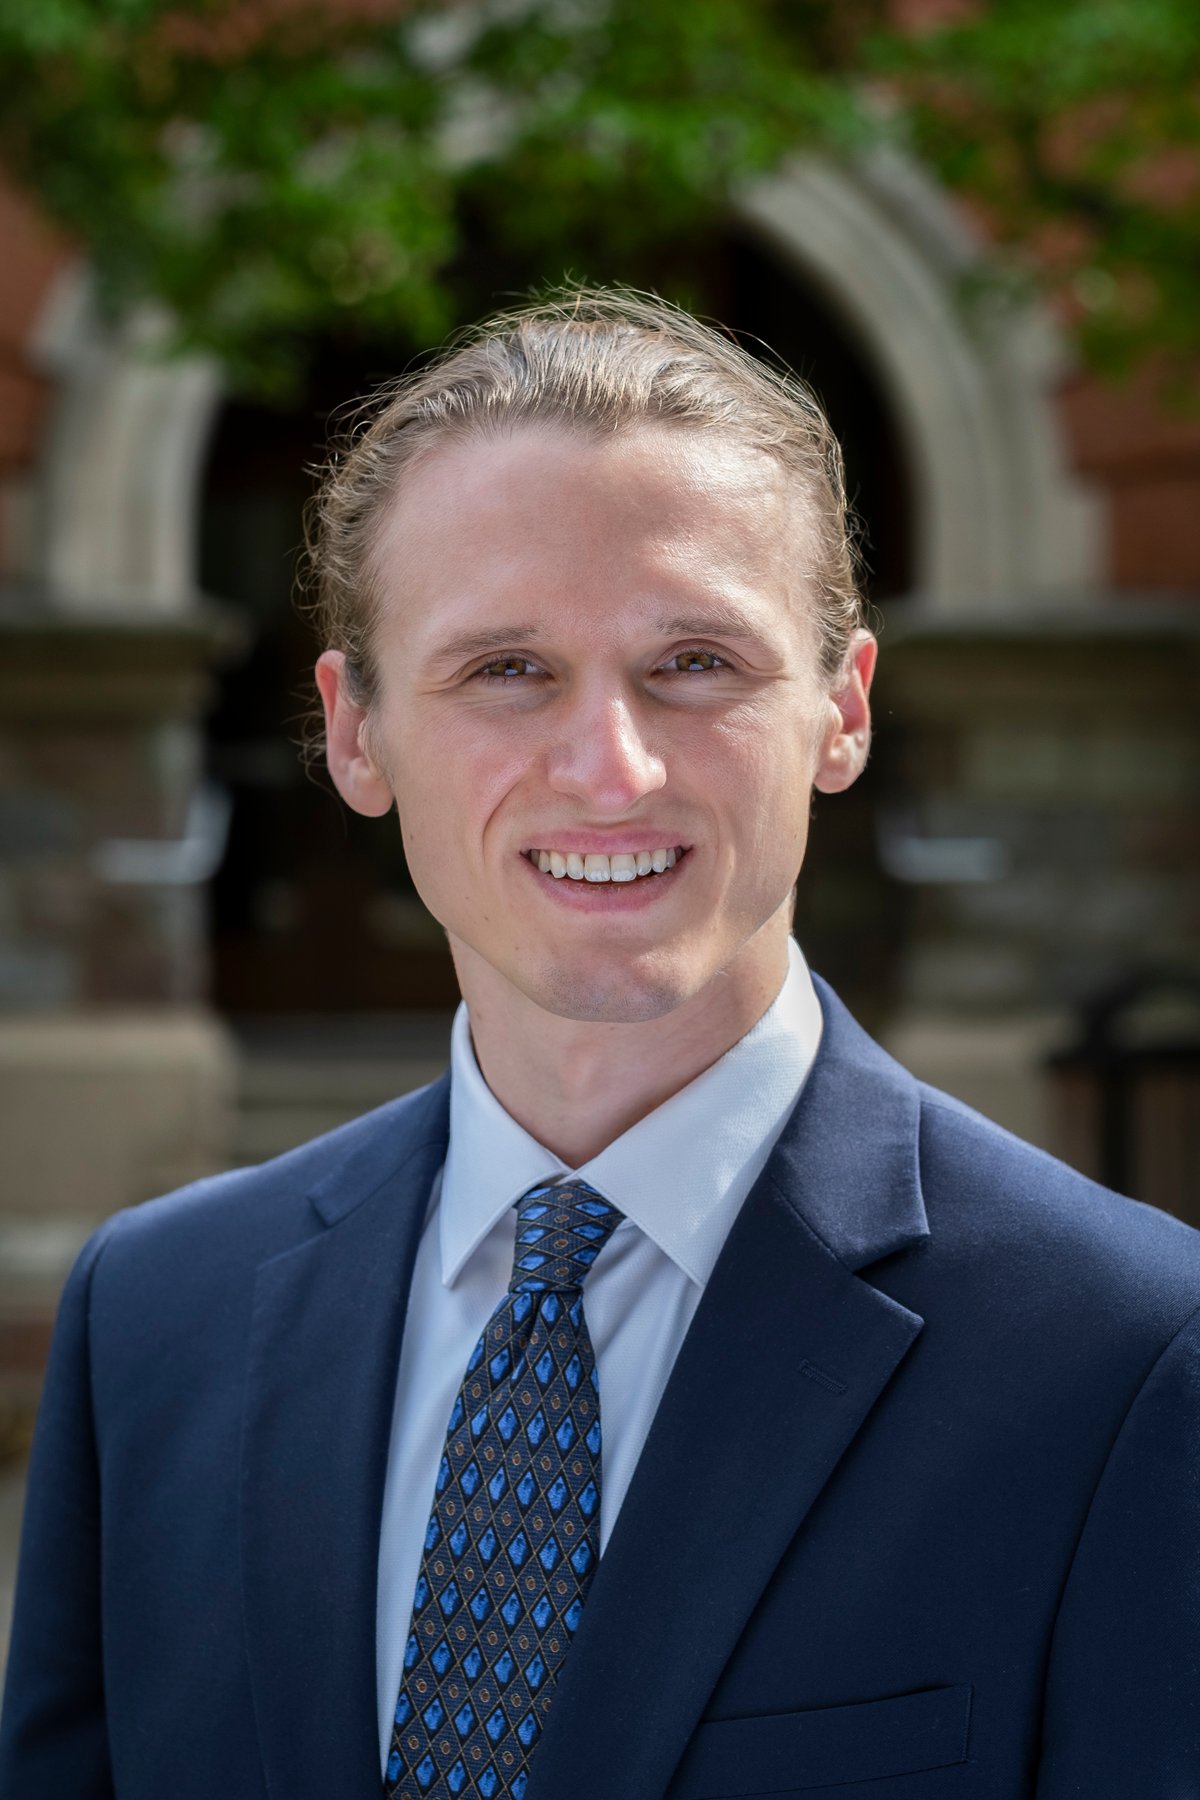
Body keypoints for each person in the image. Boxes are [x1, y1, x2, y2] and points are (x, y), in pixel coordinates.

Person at [2, 288, 1198, 1800]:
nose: (609, 770)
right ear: (356, 731)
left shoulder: (1127, 1359)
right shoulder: (158, 1321)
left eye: (696, 662)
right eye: (506, 668)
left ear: (842, 710)